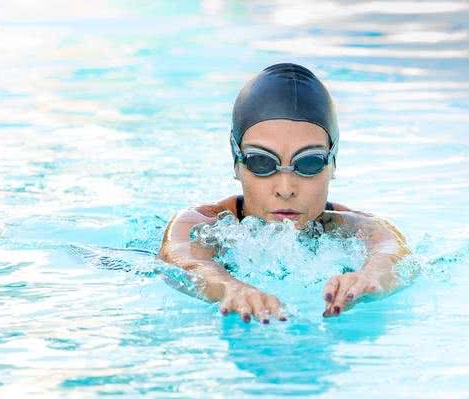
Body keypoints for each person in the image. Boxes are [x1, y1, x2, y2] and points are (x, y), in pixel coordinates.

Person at [158, 63, 411, 324]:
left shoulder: (358, 227)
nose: (286, 188)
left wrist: (369, 277)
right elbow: (184, 263)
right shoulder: (200, 224)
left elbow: (392, 254)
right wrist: (229, 287)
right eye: (261, 162)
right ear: (237, 163)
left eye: (309, 162)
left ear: (333, 164)